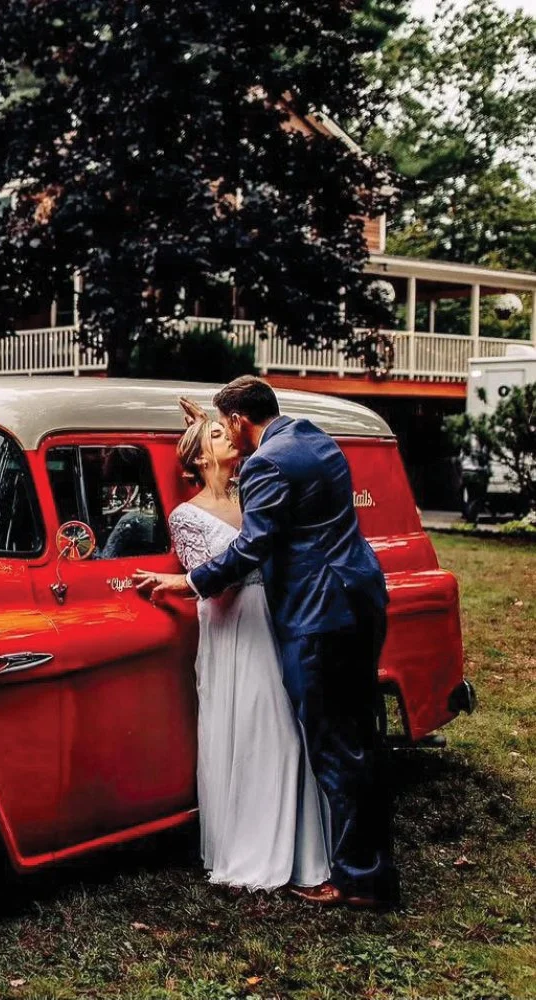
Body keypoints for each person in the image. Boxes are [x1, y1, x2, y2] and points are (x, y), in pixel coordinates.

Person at [134, 375, 398, 909]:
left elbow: (252, 547)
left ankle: (358, 879)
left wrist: (186, 582)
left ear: (237, 421)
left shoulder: (266, 464)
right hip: (358, 598)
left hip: (317, 615)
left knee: (332, 746)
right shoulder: (314, 437)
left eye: (224, 426)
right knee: (357, 738)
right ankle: (366, 866)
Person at [164, 397, 330, 893]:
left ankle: (295, 848)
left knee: (286, 732)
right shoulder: (185, 516)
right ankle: (251, 848)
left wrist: (205, 425)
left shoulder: (253, 489)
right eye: (217, 436)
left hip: (277, 618)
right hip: (235, 626)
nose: (228, 437)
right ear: (198, 459)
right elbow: (220, 584)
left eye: (227, 429)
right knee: (251, 729)